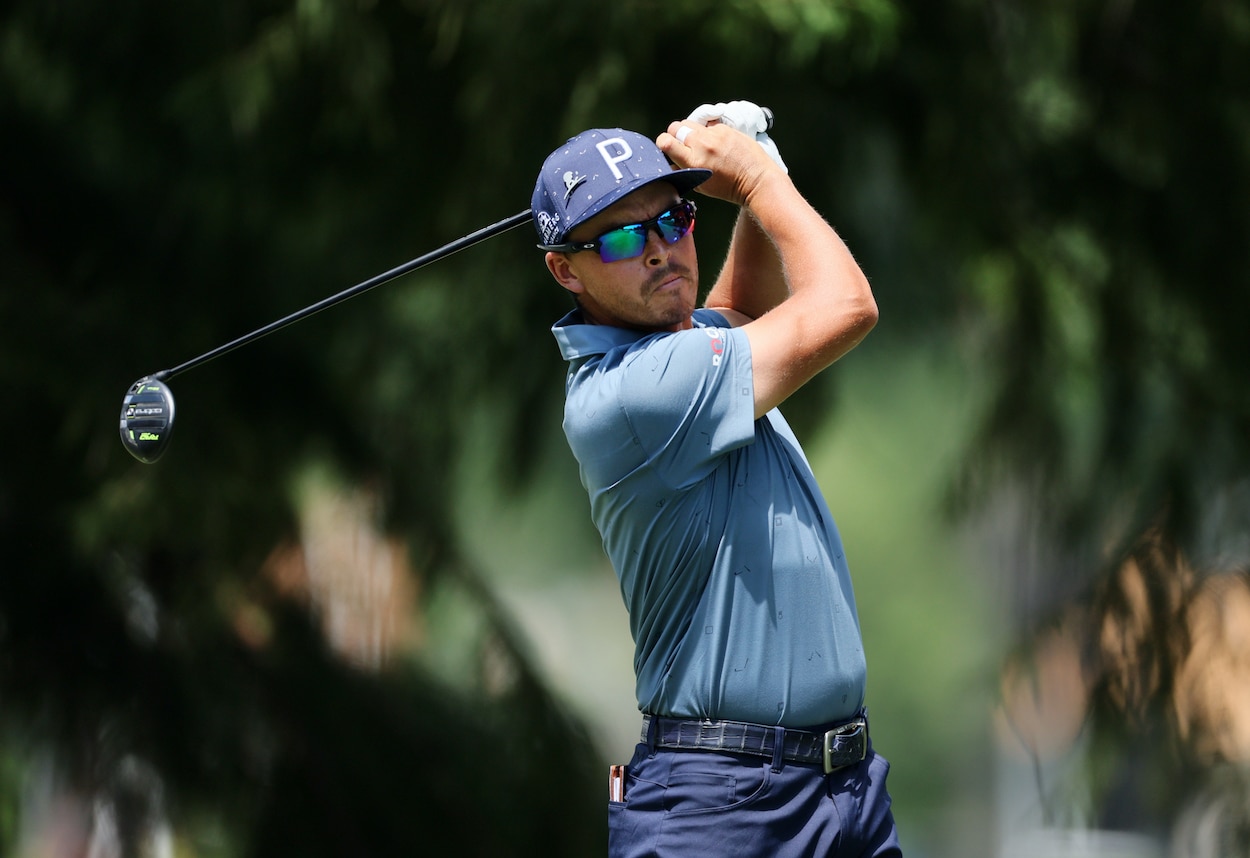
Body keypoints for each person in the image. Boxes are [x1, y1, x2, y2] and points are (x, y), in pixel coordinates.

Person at [532, 101, 901, 857]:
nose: (662, 250)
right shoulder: (634, 393)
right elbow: (846, 307)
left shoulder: (689, 350)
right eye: (626, 237)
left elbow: (735, 313)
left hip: (843, 788)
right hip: (724, 804)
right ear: (565, 268)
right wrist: (760, 180)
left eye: (675, 220)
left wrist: (762, 174)